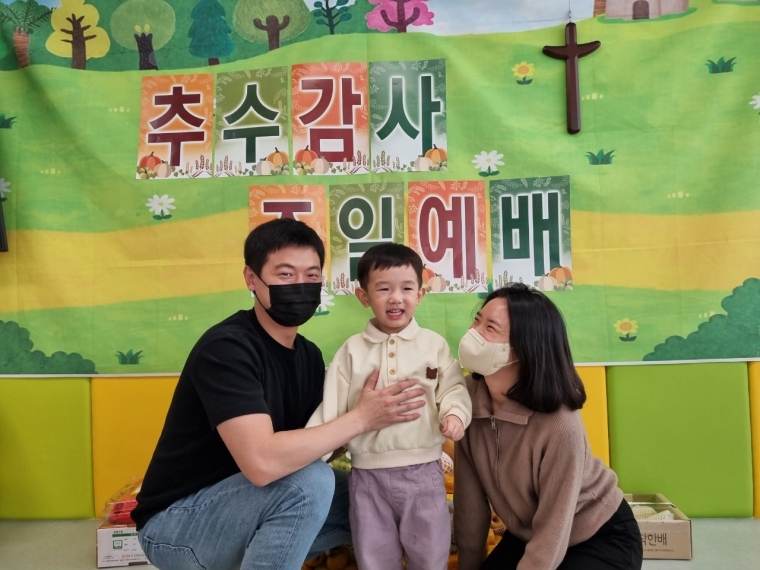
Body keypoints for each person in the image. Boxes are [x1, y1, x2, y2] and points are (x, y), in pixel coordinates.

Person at [132, 219, 426, 570]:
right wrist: (361, 418)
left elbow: (321, 444)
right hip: (177, 526)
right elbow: (263, 464)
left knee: (375, 495)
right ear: (251, 278)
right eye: (285, 274)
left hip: (251, 506)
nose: (300, 285)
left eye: (311, 275)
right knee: (309, 484)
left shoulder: (309, 356)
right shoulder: (227, 348)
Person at [453, 283, 643, 570]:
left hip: (597, 533)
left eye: (490, 328)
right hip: (528, 533)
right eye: (477, 320)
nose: (473, 333)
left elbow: (554, 526)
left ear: (523, 348)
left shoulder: (560, 423)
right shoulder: (465, 399)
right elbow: (470, 503)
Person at [307, 243, 472, 570]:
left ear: (420, 294)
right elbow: (332, 408)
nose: (396, 298)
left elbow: (453, 387)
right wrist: (311, 458)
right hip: (367, 478)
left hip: (424, 473)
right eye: (383, 289)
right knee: (374, 555)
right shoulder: (352, 351)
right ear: (363, 296)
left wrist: (455, 414)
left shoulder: (433, 345)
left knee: (430, 552)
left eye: (406, 288)